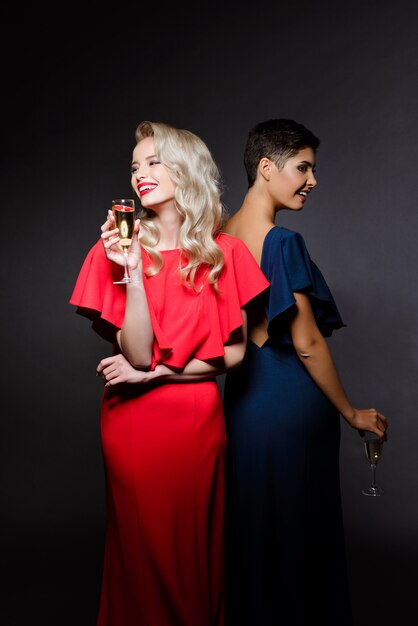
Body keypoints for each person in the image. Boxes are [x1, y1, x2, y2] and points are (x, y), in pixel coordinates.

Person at [69, 120, 269, 626]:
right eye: (135, 166)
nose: (141, 174)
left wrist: (155, 375)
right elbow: (136, 354)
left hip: (195, 423)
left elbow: (235, 356)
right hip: (132, 428)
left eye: (154, 161)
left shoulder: (226, 255)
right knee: (143, 547)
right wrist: (132, 271)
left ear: (188, 170)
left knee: (191, 549)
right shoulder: (114, 253)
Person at [222, 118, 388, 626]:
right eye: (303, 168)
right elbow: (307, 342)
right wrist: (351, 412)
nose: (311, 181)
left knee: (255, 527)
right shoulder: (283, 243)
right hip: (291, 402)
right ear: (266, 168)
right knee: (300, 531)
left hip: (241, 404)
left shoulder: (218, 234)